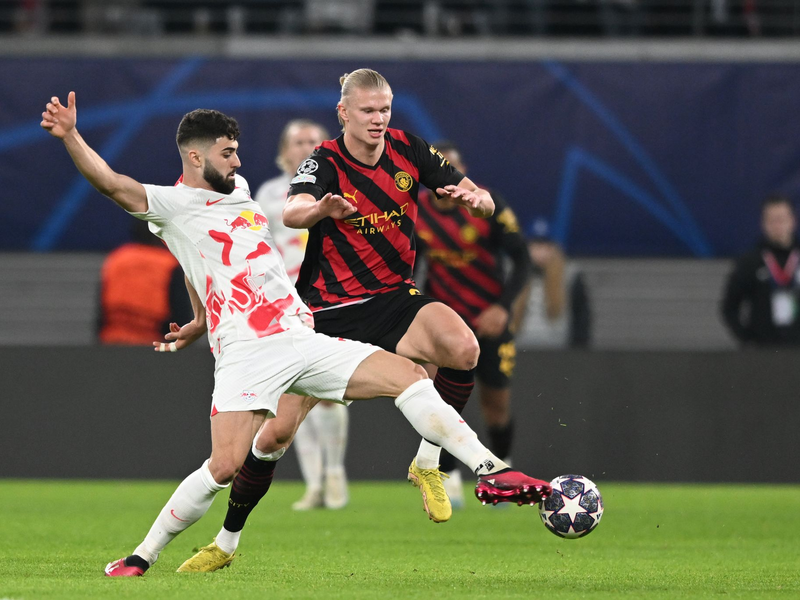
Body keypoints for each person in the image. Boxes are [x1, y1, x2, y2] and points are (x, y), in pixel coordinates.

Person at [41, 91, 551, 578]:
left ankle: (489, 468)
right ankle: (142, 556)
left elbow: (202, 259)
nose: (238, 163)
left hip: (302, 331)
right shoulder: (169, 204)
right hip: (247, 352)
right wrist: (70, 136)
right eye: (228, 153)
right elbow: (110, 182)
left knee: (411, 376)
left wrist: (197, 315)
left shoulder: (237, 192)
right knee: (224, 466)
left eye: (237, 152)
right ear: (195, 158)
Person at [182, 67, 546, 572]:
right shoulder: (324, 160)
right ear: (344, 113)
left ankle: (428, 463)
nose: (377, 120)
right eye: (368, 111)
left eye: (384, 110)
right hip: (324, 312)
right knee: (274, 438)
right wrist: (320, 208)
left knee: (462, 348)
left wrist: (477, 198)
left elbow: (465, 189)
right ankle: (225, 541)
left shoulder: (409, 149)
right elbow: (292, 211)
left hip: (394, 299)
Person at [414, 141, 531, 509]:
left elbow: (523, 259)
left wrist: (502, 307)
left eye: (455, 171)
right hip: (445, 321)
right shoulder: (414, 210)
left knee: (495, 405)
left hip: (488, 320)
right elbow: (408, 261)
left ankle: (503, 471)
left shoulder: (487, 204)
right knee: (441, 400)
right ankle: (446, 475)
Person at [254, 118, 351, 511]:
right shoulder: (269, 194)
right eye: (299, 141)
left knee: (326, 394)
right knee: (290, 394)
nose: (307, 146)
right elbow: (258, 249)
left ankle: (335, 474)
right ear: (284, 151)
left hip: (329, 299)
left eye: (314, 140)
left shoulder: (339, 185)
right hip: (285, 306)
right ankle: (313, 484)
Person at [97, 218, 192, 345]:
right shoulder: (169, 265)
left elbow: (102, 312)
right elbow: (181, 317)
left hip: (112, 345)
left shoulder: (117, 259)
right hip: (152, 349)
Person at [722, 194, 800, 345]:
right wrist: (748, 340)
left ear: (792, 221)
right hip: (763, 353)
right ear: (763, 223)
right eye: (772, 220)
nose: (778, 225)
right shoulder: (750, 262)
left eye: (782, 219)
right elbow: (729, 308)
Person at [514, 217, 591, 349]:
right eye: (536, 245)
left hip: (558, 357)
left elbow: (581, 322)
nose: (541, 252)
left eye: (546, 246)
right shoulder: (513, 275)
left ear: (555, 248)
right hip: (520, 354)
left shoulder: (570, 276)